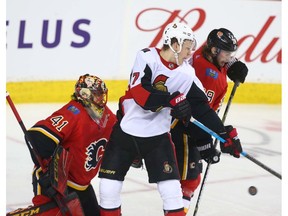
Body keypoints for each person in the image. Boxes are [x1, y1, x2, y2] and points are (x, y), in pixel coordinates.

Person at [98, 22, 243, 216]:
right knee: (108, 189)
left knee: (172, 193)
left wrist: (224, 134)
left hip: (158, 136)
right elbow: (140, 93)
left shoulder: (187, 74)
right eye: (187, 47)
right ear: (175, 44)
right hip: (126, 131)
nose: (191, 52)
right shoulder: (146, 56)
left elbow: (202, 108)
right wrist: (171, 100)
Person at [7, 74, 117, 216]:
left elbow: (118, 140)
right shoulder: (73, 112)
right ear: (85, 94)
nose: (101, 98)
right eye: (96, 94)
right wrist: (51, 175)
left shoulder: (108, 117)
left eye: (102, 94)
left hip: (82, 186)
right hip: (57, 185)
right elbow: (36, 136)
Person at [170, 28, 248, 214]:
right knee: (188, 181)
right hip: (183, 127)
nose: (229, 58)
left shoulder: (206, 55)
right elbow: (198, 112)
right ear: (214, 51)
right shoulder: (207, 75)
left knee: (191, 180)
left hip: (191, 125)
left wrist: (230, 65)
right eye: (227, 54)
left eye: (231, 54)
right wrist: (206, 141)